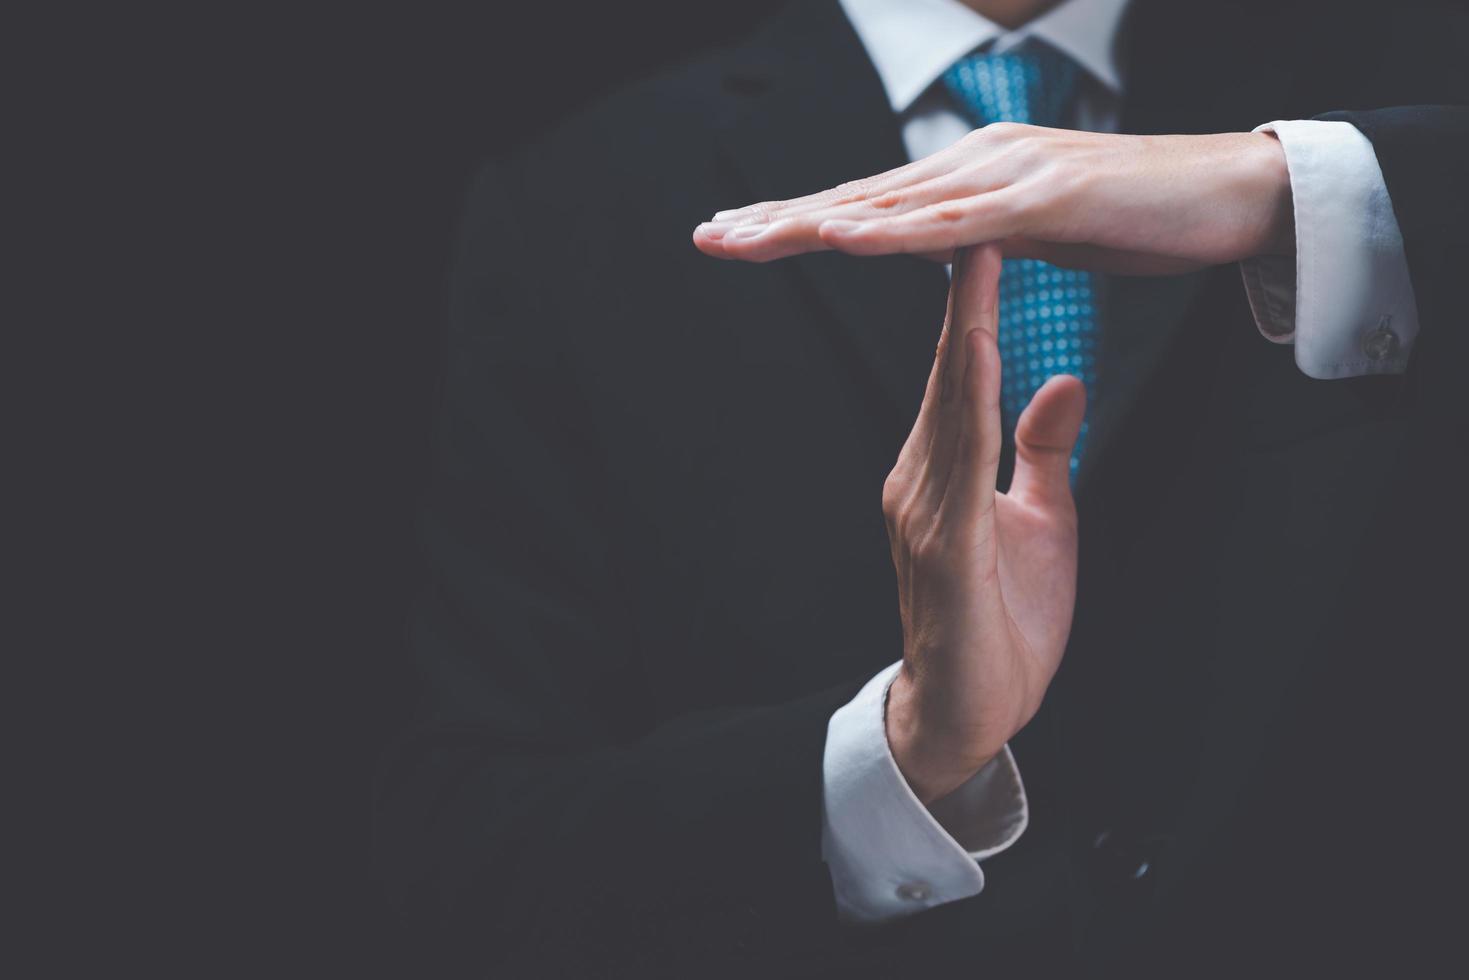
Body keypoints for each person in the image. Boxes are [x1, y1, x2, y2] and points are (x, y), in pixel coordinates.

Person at [374, 0, 1469, 974]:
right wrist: (897, 754)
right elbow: (475, 855)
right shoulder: (569, 203)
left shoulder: (1391, 65)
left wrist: (1292, 183)